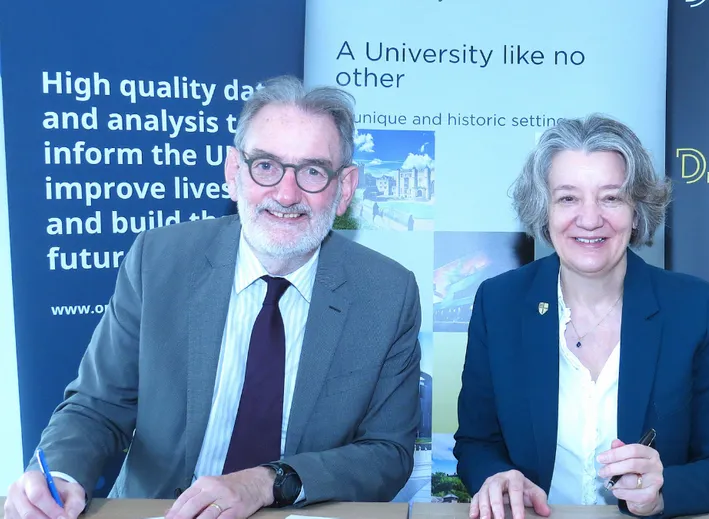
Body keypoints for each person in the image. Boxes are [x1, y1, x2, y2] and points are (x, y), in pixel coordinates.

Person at [4, 75, 422, 519]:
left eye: (313, 172)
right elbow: (97, 406)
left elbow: (387, 453)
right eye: (265, 165)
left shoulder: (387, 293)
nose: (285, 193)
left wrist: (269, 480)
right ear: (232, 172)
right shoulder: (159, 261)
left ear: (345, 189)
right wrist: (59, 479)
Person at [453, 114, 709, 519]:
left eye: (611, 197)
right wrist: (497, 476)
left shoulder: (694, 307)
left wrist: (662, 491)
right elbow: (476, 442)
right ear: (543, 210)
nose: (590, 218)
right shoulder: (500, 302)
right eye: (568, 198)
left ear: (637, 209)